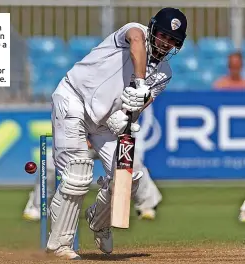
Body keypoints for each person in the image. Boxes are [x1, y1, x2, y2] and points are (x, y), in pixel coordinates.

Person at [43, 7, 187, 259]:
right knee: (77, 174)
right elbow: (136, 43)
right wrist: (140, 82)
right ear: (152, 29)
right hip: (73, 98)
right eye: (163, 35)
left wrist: (127, 117)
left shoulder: (165, 73)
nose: (166, 43)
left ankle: (98, 222)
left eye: (173, 40)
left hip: (106, 122)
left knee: (128, 178)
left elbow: (142, 102)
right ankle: (60, 245)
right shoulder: (133, 32)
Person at [23, 139, 162, 221]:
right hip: (79, 142)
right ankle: (37, 207)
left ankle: (147, 205)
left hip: (110, 141)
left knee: (133, 163)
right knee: (49, 164)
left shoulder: (118, 92)